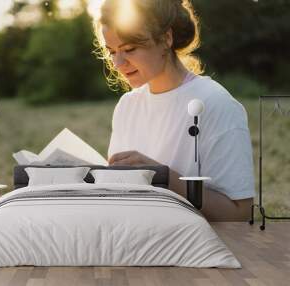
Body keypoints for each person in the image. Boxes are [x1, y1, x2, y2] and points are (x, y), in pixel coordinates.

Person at [91, 0, 255, 221]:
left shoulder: (216, 104)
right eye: (111, 52)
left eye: (129, 49)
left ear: (166, 39)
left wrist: (164, 177)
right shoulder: (127, 106)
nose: (118, 63)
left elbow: (240, 214)